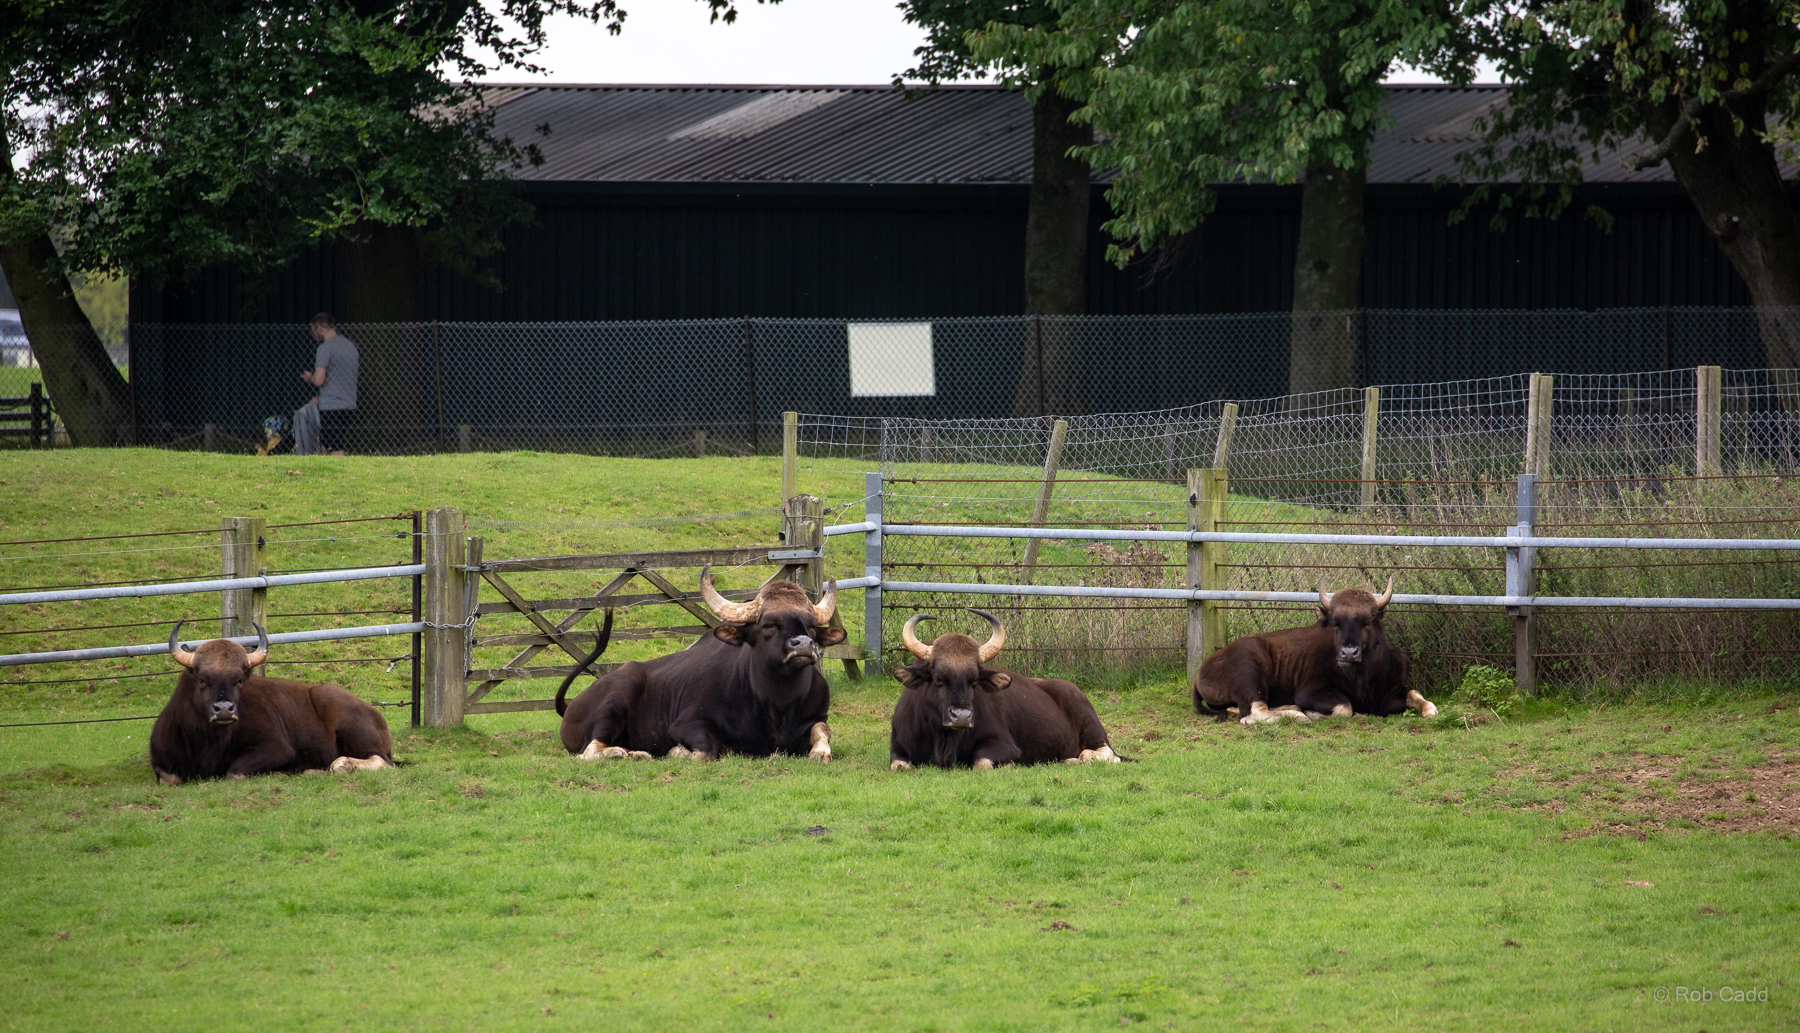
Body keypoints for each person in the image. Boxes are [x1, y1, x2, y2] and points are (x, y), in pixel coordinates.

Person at [301, 312, 358, 455]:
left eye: (314, 331)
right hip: (350, 404)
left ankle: (338, 473)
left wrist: (310, 378)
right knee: (327, 444)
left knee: (333, 446)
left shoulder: (324, 348)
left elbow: (320, 379)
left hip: (332, 407)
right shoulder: (350, 346)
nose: (314, 335)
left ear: (320, 329)